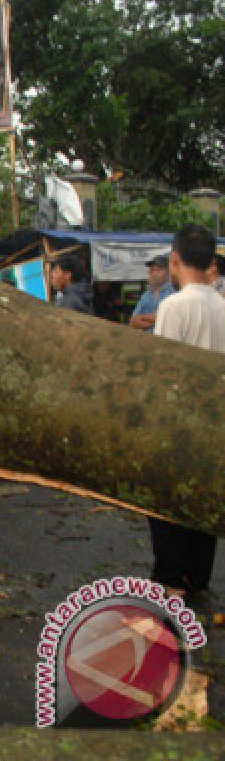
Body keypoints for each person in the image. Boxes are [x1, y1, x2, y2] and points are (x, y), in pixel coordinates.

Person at [148, 225, 225, 598]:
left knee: (167, 499)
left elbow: (165, 373)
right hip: (215, 422)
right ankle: (197, 575)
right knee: (204, 493)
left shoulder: (173, 307)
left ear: (175, 259)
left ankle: (171, 578)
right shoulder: (224, 307)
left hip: (179, 423)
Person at [128, 254, 174, 332]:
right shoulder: (146, 295)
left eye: (158, 270)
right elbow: (133, 321)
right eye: (152, 270)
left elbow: (170, 318)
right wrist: (154, 319)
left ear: (168, 273)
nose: (154, 273)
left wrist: (143, 318)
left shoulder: (175, 293)